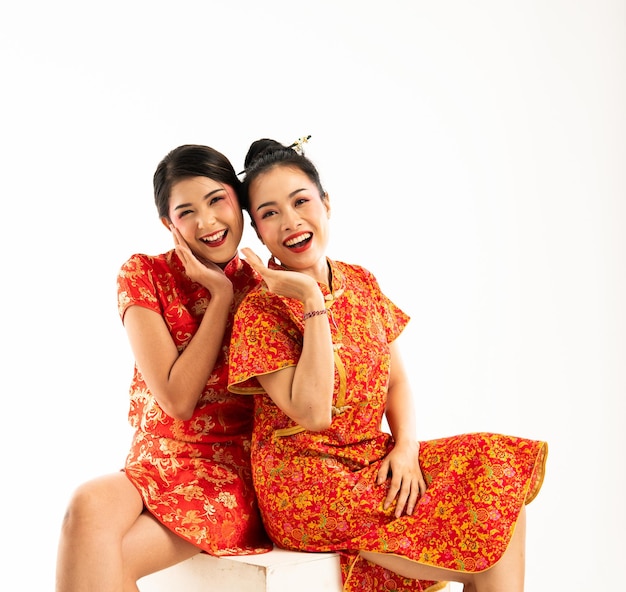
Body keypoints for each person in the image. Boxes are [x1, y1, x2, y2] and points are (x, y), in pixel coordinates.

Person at [227, 138, 548, 592]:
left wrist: (406, 448)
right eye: (270, 213)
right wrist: (310, 298)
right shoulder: (259, 312)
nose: (291, 220)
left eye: (300, 201)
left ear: (327, 205)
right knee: (487, 549)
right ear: (259, 232)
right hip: (306, 484)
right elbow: (313, 414)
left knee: (496, 470)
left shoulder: (361, 281)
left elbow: (395, 381)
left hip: (370, 458)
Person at [56, 144, 272, 592]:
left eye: (217, 200)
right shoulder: (144, 274)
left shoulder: (266, 284)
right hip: (154, 459)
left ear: (240, 200)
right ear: (168, 224)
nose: (207, 223)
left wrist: (223, 295)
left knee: (109, 560)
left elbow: (179, 399)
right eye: (187, 211)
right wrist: (218, 300)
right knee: (86, 503)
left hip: (231, 472)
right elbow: (175, 399)